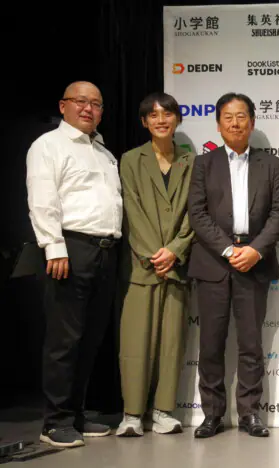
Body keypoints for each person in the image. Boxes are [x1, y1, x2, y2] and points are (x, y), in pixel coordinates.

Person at [26, 81, 122, 448]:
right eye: (81, 101)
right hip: (70, 248)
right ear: (63, 105)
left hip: (106, 250)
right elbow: (42, 198)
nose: (88, 109)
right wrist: (54, 246)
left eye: (96, 104)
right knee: (64, 340)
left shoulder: (104, 152)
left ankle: (76, 414)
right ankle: (55, 422)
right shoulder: (48, 145)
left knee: (90, 339)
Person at [188, 92, 279, 438]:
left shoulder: (270, 164)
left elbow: (278, 214)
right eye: (228, 117)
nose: (235, 123)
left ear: (252, 122)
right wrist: (229, 250)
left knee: (251, 343)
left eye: (241, 116)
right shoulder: (204, 164)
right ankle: (212, 414)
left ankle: (250, 413)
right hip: (214, 262)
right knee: (211, 344)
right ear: (218, 125)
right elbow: (197, 214)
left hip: (255, 262)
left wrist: (255, 250)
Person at [116, 92, 195, 437]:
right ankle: (132, 414)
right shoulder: (130, 160)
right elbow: (131, 210)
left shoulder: (193, 162)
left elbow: (196, 212)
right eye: (153, 115)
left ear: (177, 119)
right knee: (136, 342)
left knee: (172, 342)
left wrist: (175, 250)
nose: (161, 120)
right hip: (143, 265)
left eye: (167, 114)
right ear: (144, 122)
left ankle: (163, 411)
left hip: (176, 266)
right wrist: (154, 254)